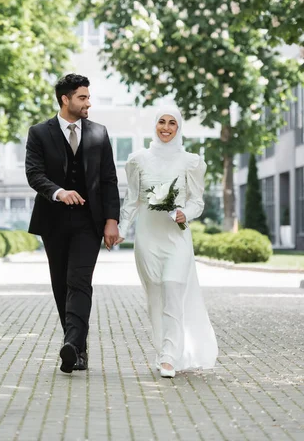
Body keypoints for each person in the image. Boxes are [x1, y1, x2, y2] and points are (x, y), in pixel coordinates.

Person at [25, 74, 120, 373]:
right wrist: (58, 192)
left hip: (88, 223)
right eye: (82, 97)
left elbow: (109, 180)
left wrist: (111, 221)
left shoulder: (99, 133)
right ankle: (77, 349)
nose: (88, 102)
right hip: (53, 220)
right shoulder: (39, 133)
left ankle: (72, 345)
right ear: (65, 99)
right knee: (60, 286)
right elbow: (34, 173)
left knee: (79, 281)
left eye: (88, 97)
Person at [116, 106, 218, 378]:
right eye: (161, 121)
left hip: (177, 239)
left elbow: (197, 201)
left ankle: (169, 357)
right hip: (148, 239)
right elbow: (132, 199)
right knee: (156, 299)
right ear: (154, 125)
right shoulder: (138, 160)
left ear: (179, 128)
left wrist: (187, 212)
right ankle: (163, 349)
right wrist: (122, 228)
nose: (166, 127)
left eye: (172, 123)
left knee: (173, 292)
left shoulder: (191, 162)